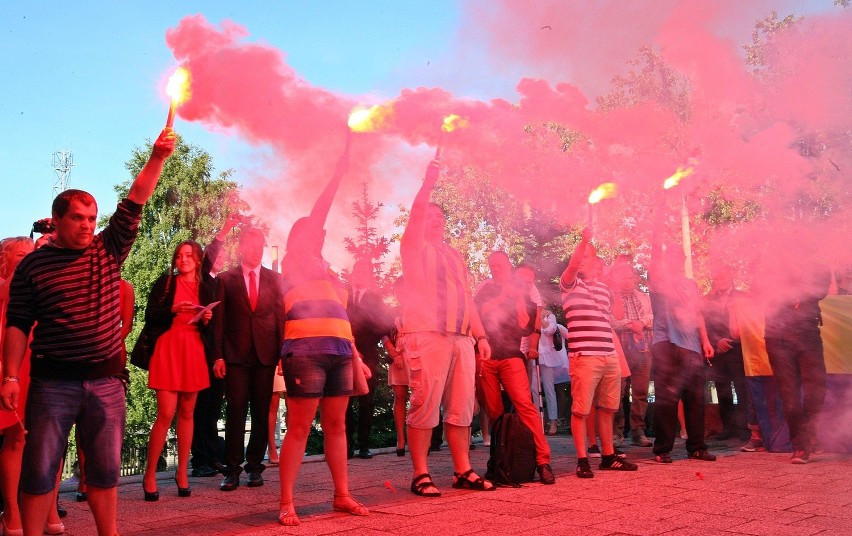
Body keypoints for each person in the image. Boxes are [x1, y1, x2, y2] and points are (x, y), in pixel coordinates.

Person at [0, 128, 175, 536]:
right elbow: (18, 325)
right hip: (51, 382)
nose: (86, 225)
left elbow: (136, 198)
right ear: (56, 219)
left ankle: (108, 533)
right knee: (40, 472)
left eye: (92, 218)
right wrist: (10, 375)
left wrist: (158, 157)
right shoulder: (32, 267)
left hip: (106, 382)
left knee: (104, 471)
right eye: (77, 218)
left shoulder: (107, 248)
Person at [278, 153, 369, 526]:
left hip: (340, 350)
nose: (322, 234)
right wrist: (336, 174)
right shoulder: (293, 261)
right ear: (301, 237)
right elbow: (319, 215)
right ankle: (286, 502)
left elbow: (341, 316)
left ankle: (341, 495)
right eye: (315, 231)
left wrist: (356, 353)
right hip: (305, 351)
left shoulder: (328, 269)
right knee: (300, 427)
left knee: (337, 425)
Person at [399, 159, 494, 498]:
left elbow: (467, 299)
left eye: (440, 216)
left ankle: (462, 470)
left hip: (462, 338)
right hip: (426, 335)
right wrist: (427, 185)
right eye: (429, 216)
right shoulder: (413, 248)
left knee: (462, 406)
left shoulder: (455, 255)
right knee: (425, 405)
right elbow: (414, 218)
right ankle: (420, 474)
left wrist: (480, 336)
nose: (436, 219)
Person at [138, 240, 216, 501]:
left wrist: (205, 319)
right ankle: (149, 475)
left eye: (189, 255)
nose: (183, 260)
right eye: (179, 256)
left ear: (198, 259)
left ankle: (182, 472)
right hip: (169, 346)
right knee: (165, 413)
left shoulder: (205, 287)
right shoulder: (166, 282)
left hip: (193, 349)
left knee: (187, 413)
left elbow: (210, 330)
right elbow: (150, 315)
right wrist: (172, 309)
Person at [561, 228, 638, 478]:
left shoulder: (604, 289)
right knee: (581, 409)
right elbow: (573, 264)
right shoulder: (569, 284)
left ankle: (608, 456)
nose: (584, 260)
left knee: (607, 407)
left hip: (608, 354)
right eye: (582, 256)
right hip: (585, 355)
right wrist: (583, 241)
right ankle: (582, 459)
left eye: (589, 257)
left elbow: (615, 316)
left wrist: (612, 285)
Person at [213, 226, 285, 492]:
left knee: (261, 411)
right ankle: (231, 470)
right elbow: (218, 322)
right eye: (251, 245)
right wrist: (218, 356)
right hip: (234, 356)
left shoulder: (275, 279)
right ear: (241, 247)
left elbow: (280, 317)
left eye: (260, 245)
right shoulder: (225, 279)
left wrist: (282, 353)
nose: (256, 250)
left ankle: (255, 467)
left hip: (266, 354)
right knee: (235, 410)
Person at [475, 251, 555, 484]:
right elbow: (482, 313)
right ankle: (501, 461)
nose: (495, 268)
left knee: (525, 405)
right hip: (486, 357)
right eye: (492, 264)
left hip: (511, 356)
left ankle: (543, 461)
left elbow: (524, 325)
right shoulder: (486, 288)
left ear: (508, 265)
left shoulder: (524, 294)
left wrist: (517, 297)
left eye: (499, 264)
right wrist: (503, 297)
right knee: (494, 412)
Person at [648, 208, 716, 464]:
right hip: (666, 344)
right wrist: (658, 225)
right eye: (672, 256)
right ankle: (662, 449)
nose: (677, 259)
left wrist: (706, 341)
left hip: (692, 347)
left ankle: (697, 447)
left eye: (680, 256)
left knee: (696, 398)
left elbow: (698, 314)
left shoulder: (690, 284)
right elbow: (654, 258)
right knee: (667, 397)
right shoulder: (658, 279)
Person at [761, 251, 830, 464]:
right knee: (790, 397)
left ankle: (807, 434)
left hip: (807, 334)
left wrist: (798, 276)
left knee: (816, 389)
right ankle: (801, 446)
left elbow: (820, 291)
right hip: (778, 337)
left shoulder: (817, 269)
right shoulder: (772, 270)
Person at [190, 219, 236, 478]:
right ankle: (199, 461)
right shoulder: (202, 280)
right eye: (217, 254)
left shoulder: (222, 282)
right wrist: (225, 230)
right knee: (200, 408)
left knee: (212, 409)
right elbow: (208, 259)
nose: (221, 258)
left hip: (218, 354)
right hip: (200, 352)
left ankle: (212, 456)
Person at [345, 257, 394, 460]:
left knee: (366, 401)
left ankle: (364, 445)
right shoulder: (344, 295)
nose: (360, 276)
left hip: (369, 354)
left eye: (364, 272)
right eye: (358, 271)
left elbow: (383, 325)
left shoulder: (375, 299)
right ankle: (347, 445)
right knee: (345, 401)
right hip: (345, 352)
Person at [701, 265, 748, 441]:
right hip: (718, 349)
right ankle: (727, 427)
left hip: (737, 349)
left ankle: (745, 428)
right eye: (717, 277)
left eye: (723, 277)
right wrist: (717, 341)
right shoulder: (708, 300)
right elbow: (704, 324)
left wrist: (731, 340)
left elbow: (747, 322)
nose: (719, 280)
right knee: (722, 389)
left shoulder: (742, 296)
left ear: (731, 278)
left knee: (742, 388)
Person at [609, 263, 654, 447]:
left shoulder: (645, 297)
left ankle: (637, 430)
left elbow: (653, 316)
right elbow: (611, 320)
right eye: (623, 277)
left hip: (643, 349)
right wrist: (630, 324)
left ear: (635, 278)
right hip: (620, 348)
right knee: (618, 391)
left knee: (641, 392)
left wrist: (641, 322)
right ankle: (617, 432)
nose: (627, 281)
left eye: (630, 277)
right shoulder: (612, 297)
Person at [382, 277, 409, 456]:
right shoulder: (391, 312)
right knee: (399, 396)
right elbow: (383, 333)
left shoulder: (421, 310)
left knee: (420, 396)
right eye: (398, 290)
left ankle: (419, 436)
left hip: (417, 352)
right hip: (397, 353)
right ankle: (401, 439)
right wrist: (393, 353)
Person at [538, 307, 569, 436]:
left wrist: (539, 318)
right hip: (533, 354)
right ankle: (537, 421)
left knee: (550, 390)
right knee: (534, 390)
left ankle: (554, 422)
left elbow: (550, 331)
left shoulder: (550, 317)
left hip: (548, 357)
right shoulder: (526, 312)